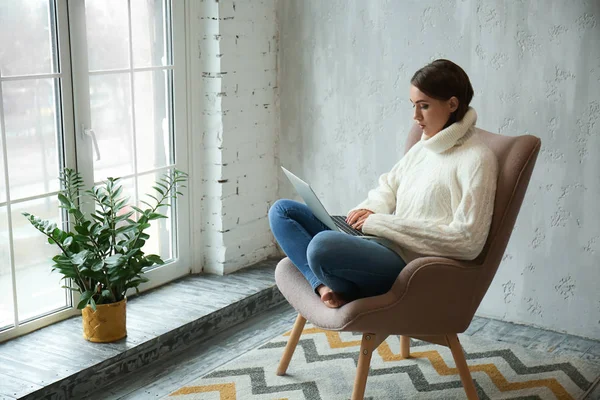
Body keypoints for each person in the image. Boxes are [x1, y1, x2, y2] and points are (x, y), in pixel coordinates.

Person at [268, 59, 498, 309]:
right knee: (282, 211)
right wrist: (369, 211)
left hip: (409, 264)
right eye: (413, 106)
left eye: (424, 106)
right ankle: (324, 286)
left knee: (321, 247)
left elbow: (467, 242)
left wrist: (378, 222)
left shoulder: (477, 159)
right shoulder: (424, 147)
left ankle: (334, 276)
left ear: (452, 104)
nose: (415, 117)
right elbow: (389, 185)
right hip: (381, 242)